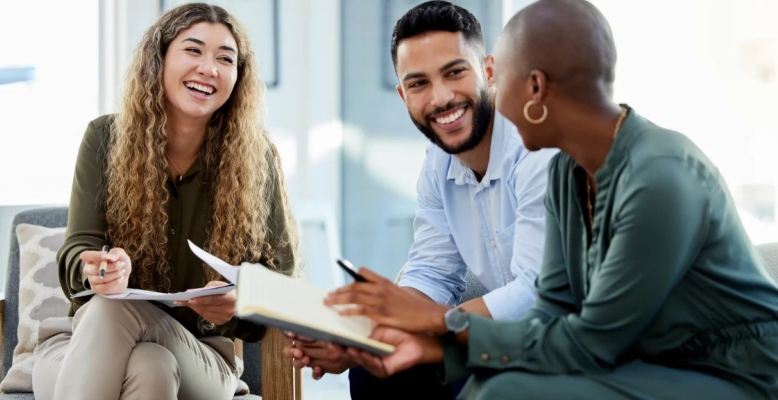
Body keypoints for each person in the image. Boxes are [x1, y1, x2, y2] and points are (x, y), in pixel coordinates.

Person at [326, 0, 778, 399]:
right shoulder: (568, 169)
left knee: (508, 391)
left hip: (730, 371)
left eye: (504, 81)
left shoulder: (661, 176)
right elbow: (550, 309)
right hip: (636, 354)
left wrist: (436, 328)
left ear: (535, 88)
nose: (495, 100)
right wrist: (420, 338)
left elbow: (592, 341)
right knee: (485, 383)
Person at [283, 2, 555, 399]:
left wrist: (424, 320)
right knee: (377, 370)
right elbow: (432, 272)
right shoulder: (437, 161)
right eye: (418, 83)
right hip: (490, 336)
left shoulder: (535, 147)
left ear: (489, 70)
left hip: (555, 341)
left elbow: (534, 293)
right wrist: (361, 338)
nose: (441, 97)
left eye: (455, 72)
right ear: (402, 94)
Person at [30, 3, 299, 400]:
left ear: (238, 77)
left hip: (202, 356)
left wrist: (240, 303)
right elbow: (78, 252)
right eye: (193, 50)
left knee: (115, 313)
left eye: (225, 58)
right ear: (159, 59)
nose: (209, 68)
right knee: (149, 366)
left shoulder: (257, 161)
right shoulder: (105, 139)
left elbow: (282, 285)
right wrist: (100, 271)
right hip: (79, 346)